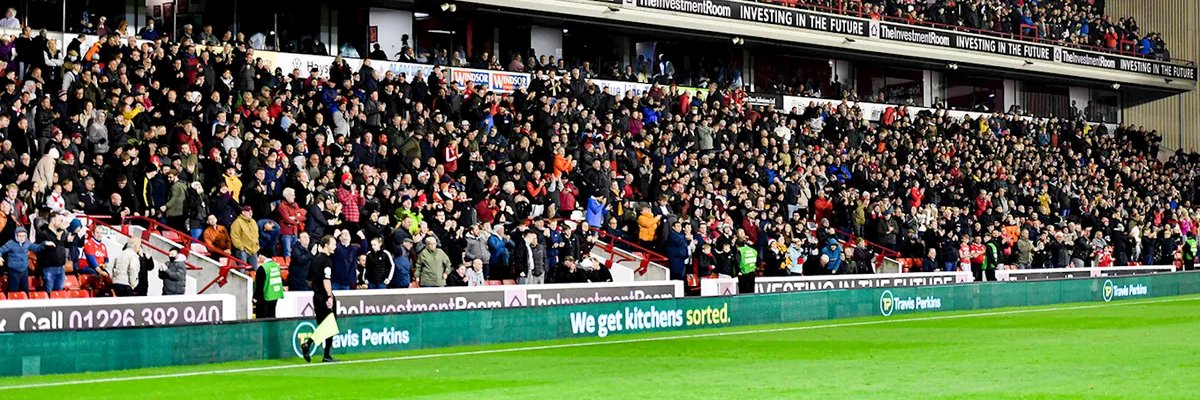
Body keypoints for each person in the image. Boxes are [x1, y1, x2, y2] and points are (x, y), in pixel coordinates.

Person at [300, 234, 338, 363]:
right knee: (330, 325)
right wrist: (329, 296)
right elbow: (326, 280)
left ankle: (317, 349)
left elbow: (309, 279)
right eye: (333, 244)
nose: (335, 247)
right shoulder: (327, 260)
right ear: (326, 245)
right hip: (324, 296)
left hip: (316, 296)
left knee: (325, 325)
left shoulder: (315, 259)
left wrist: (316, 290)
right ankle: (315, 348)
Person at [0, 228, 45, 292]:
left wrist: (44, 244)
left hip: (24, 270)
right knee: (13, 290)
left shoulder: (27, 243)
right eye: (20, 236)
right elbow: (1, 250)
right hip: (13, 270)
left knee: (25, 290)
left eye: (24, 236)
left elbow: (37, 248)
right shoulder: (10, 243)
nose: (22, 238)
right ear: (16, 235)